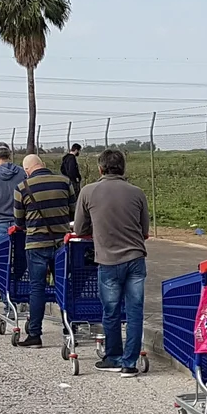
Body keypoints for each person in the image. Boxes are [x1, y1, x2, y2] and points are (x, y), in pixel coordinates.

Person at [74, 148, 151, 377]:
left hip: (107, 260)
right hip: (136, 258)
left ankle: (113, 356)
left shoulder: (88, 192)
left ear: (100, 168)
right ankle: (130, 362)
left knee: (111, 310)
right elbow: (144, 230)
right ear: (123, 168)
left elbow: (79, 229)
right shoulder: (137, 193)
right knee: (135, 311)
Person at [10, 154, 78, 347]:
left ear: (27, 170)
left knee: (37, 288)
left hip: (36, 244)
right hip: (62, 244)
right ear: (43, 165)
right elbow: (73, 211)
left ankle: (35, 335)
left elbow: (19, 221)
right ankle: (69, 329)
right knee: (64, 286)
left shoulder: (22, 187)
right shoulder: (64, 182)